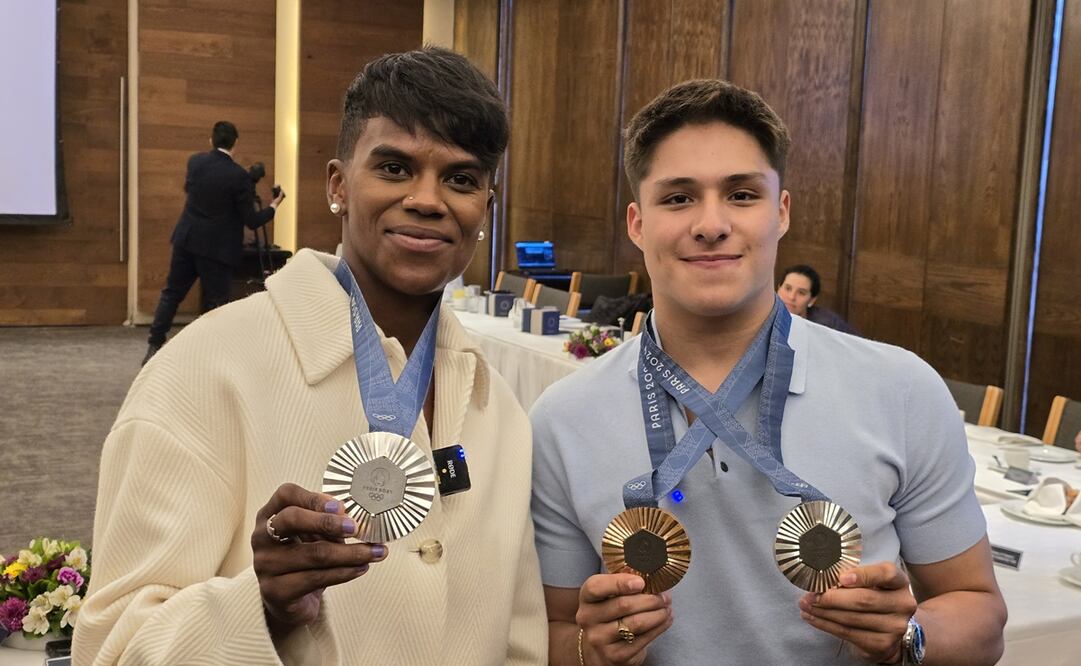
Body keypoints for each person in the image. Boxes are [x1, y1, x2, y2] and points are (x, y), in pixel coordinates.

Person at [75, 48, 546, 664]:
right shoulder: (202, 372)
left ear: (485, 206)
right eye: (396, 168)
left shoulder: (499, 409)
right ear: (338, 186)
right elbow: (110, 649)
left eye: (461, 179)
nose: (429, 199)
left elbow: (519, 644)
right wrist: (259, 608)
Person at [530, 79, 1005, 665]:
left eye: (741, 194)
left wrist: (909, 637)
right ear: (637, 223)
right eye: (678, 198)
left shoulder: (902, 389)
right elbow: (552, 631)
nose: (710, 223)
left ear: (780, 212)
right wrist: (589, 650)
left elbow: (980, 616)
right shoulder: (561, 418)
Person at [143, 121, 286, 365]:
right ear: (235, 144)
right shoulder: (238, 177)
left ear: (211, 140)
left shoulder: (195, 163)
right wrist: (274, 205)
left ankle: (154, 345)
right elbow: (251, 221)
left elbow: (195, 190)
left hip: (187, 240)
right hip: (217, 250)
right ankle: (210, 354)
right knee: (217, 303)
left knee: (171, 293)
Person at [778, 264, 858, 335]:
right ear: (778, 289)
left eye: (801, 293)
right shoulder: (766, 314)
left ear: (812, 300)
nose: (791, 297)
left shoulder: (828, 323)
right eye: (788, 288)